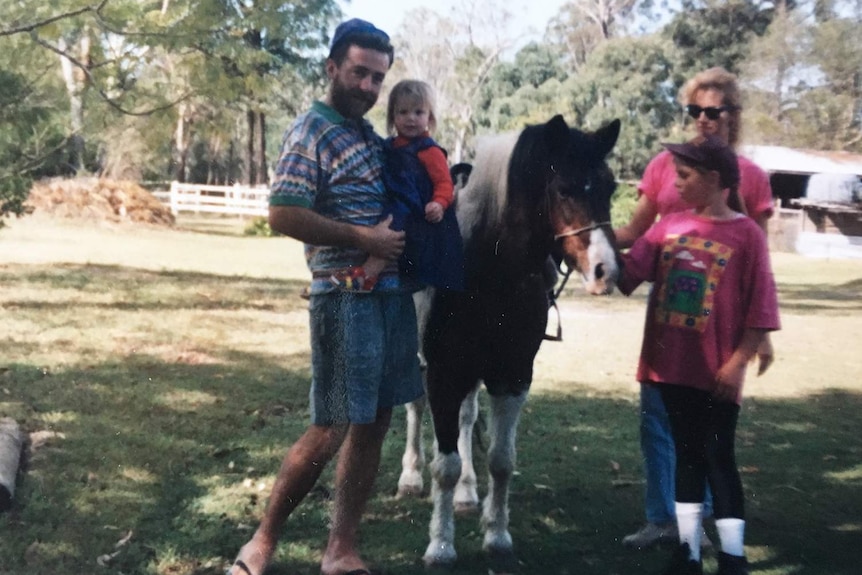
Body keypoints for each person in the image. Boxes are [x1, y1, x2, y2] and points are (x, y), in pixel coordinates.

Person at [226, 18, 424, 575]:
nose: (367, 86)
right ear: (332, 67)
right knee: (332, 424)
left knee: (376, 422)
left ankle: (340, 549)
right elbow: (282, 213)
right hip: (343, 297)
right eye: (358, 72)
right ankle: (261, 544)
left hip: (390, 296)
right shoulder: (311, 130)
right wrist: (365, 239)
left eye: (377, 78)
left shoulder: (368, 136)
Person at [615, 67, 776, 549]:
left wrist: (755, 338)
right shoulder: (665, 167)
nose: (703, 119)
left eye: (713, 111)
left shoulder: (750, 180)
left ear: (732, 115)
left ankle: (711, 536)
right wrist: (586, 244)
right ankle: (666, 521)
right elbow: (636, 233)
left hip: (720, 336)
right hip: (669, 330)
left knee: (711, 445)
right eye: (694, 111)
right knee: (659, 425)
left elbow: (757, 266)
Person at [330, 79, 464, 291]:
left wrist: (439, 203)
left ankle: (366, 274)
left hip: (414, 210)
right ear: (393, 116)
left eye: (418, 112)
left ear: (430, 117)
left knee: (390, 233)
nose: (411, 118)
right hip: (394, 201)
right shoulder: (389, 146)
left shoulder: (430, 151)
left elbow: (445, 183)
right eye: (403, 112)